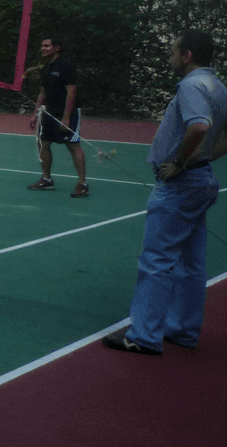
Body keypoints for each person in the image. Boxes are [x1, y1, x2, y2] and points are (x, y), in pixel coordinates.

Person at [102, 30, 227, 355]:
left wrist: (180, 162)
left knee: (156, 260)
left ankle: (143, 336)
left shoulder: (191, 86)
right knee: (191, 262)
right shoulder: (218, 87)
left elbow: (199, 125)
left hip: (181, 185)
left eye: (173, 52)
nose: (170, 58)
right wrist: (201, 159)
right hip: (201, 180)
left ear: (187, 55)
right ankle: (183, 330)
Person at [26, 37, 89, 197]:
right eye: (42, 46)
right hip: (49, 111)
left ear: (57, 48)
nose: (43, 48)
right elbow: (43, 92)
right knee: (44, 143)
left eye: (47, 46)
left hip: (68, 112)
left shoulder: (65, 66)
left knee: (73, 146)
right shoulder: (46, 67)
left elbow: (71, 92)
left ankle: (82, 184)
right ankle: (46, 180)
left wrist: (66, 117)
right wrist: (35, 114)